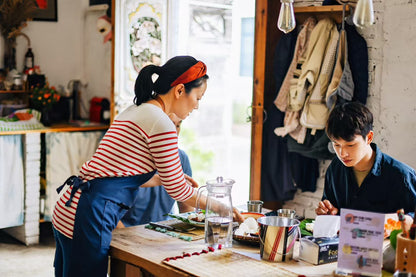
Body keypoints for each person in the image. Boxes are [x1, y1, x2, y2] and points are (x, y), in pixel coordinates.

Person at [52, 55, 244, 277]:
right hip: (90, 213)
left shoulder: (136, 109)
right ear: (180, 90)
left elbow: (116, 172)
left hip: (70, 207)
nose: (197, 106)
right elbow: (178, 191)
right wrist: (220, 208)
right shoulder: (161, 122)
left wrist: (163, 178)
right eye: (198, 98)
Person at [315, 102, 416, 230]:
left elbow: (412, 217)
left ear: (369, 138)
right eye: (336, 145)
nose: (342, 153)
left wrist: (397, 222)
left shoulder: (401, 175)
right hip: (344, 247)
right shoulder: (335, 169)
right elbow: (333, 213)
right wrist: (329, 213)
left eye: (350, 145)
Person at [119, 113, 195, 227]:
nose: (174, 132)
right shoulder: (129, 161)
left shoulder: (181, 158)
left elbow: (187, 209)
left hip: (164, 233)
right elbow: (110, 217)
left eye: (178, 125)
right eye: (169, 126)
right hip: (128, 233)